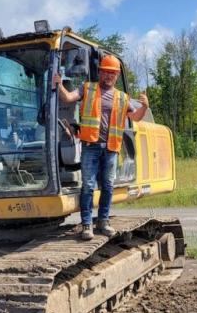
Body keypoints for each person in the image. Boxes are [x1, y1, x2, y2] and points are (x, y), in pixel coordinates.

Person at [53, 54, 149, 240]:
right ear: (100, 72)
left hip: (111, 148)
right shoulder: (87, 89)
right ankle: (87, 224)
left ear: (117, 75)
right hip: (91, 146)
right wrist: (59, 84)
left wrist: (144, 107)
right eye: (105, 72)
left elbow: (136, 118)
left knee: (108, 186)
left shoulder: (122, 97)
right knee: (88, 186)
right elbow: (68, 98)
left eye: (112, 73)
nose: (108, 76)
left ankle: (103, 221)